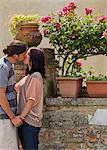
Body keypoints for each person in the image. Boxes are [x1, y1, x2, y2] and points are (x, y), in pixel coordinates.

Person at [15, 47, 45, 150]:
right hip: (24, 122)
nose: (25, 56)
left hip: (29, 122)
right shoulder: (29, 75)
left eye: (27, 54)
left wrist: (21, 117)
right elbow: (16, 87)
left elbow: (31, 100)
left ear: (33, 58)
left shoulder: (36, 77)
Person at [0, 40, 28, 150]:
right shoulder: (3, 67)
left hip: (8, 116)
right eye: (24, 54)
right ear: (16, 55)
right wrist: (12, 117)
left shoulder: (9, 65)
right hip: (4, 118)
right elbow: (0, 95)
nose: (25, 56)